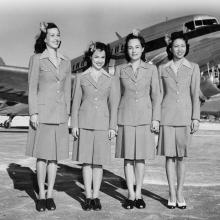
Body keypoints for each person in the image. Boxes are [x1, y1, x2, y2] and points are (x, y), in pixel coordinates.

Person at [26, 22, 71, 212]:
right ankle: (41, 196)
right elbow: (32, 87)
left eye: (58, 35)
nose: (56, 38)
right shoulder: (37, 59)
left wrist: (67, 113)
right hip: (42, 114)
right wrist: (33, 112)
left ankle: (50, 194)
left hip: (59, 115)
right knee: (42, 157)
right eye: (52, 35)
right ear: (45, 39)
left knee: (54, 158)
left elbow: (67, 90)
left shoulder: (66, 61)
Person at [115, 29, 161, 209]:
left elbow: (157, 95)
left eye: (137, 47)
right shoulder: (120, 70)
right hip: (125, 118)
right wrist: (114, 123)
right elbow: (115, 96)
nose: (133, 51)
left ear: (142, 49)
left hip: (145, 118)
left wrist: (156, 118)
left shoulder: (151, 69)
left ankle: (139, 193)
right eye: (130, 48)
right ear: (127, 50)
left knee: (140, 159)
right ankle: (130, 194)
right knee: (128, 159)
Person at [71, 42, 119, 211]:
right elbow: (75, 103)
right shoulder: (80, 77)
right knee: (86, 162)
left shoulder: (111, 79)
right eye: (96, 57)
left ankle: (96, 196)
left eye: (103, 57)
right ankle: (88, 196)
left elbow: (114, 105)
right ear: (90, 57)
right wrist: (74, 125)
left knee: (98, 163)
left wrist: (113, 127)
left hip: (103, 125)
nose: (99, 60)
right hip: (84, 124)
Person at [157, 32, 200, 209]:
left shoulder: (193, 67)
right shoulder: (162, 68)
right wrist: (156, 119)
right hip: (166, 117)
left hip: (184, 117)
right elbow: (159, 95)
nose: (179, 49)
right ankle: (171, 193)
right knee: (169, 157)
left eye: (182, 46)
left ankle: (180, 191)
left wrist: (195, 117)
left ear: (186, 47)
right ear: (170, 48)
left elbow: (195, 94)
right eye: (176, 46)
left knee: (181, 157)